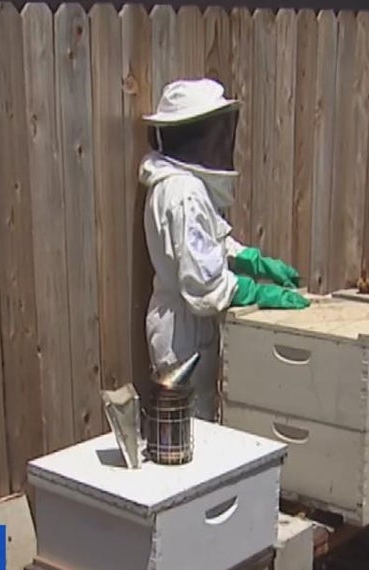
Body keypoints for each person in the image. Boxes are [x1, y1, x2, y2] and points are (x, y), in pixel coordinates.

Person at [140, 78, 310, 422]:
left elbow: (205, 244)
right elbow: (203, 286)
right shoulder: (184, 193)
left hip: (185, 327)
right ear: (198, 135)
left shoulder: (180, 185)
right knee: (189, 430)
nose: (223, 141)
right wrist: (256, 292)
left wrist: (251, 259)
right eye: (217, 132)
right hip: (182, 333)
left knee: (196, 423)